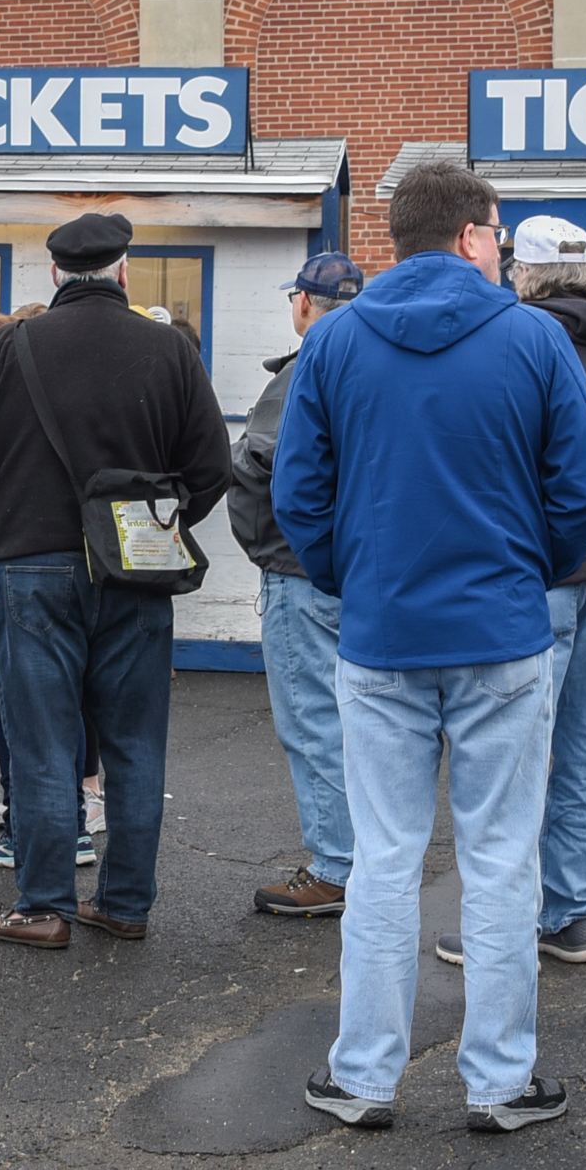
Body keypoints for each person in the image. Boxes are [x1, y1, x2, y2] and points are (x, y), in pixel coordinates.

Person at [273, 163, 586, 1133]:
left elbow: (300, 492)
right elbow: (582, 491)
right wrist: (521, 572)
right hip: (502, 634)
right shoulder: (533, 340)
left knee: (383, 858)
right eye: (497, 229)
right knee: (501, 860)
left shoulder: (334, 341)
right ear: (470, 234)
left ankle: (364, 1075)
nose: (501, 245)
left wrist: (355, 575)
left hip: (381, 638)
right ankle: (500, 1082)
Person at [0, 212, 231, 951]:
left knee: (43, 743)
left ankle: (42, 906)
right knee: (134, 744)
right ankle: (125, 902)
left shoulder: (9, 349)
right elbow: (210, 468)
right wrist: (159, 520)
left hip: (29, 566)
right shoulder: (169, 349)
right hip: (136, 570)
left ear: (55, 274)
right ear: (125, 272)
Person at [428, 215, 586, 974]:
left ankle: (503, 921)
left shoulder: (517, 339)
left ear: (522, 273)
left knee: (517, 751)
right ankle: (571, 914)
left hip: (541, 572)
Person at [230, 249, 365, 917]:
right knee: (354, 721)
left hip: (299, 571)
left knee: (312, 721)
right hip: (351, 574)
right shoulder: (371, 360)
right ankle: (358, 857)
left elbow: (273, 461)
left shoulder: (308, 364)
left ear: (305, 304)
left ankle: (335, 867)